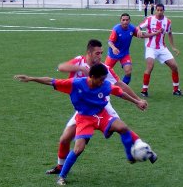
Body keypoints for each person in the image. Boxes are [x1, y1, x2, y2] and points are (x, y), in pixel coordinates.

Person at [15, 63, 156, 186]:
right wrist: (31, 78)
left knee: (123, 127)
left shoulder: (105, 85)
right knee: (78, 149)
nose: (103, 82)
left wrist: (137, 102)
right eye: (101, 79)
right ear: (92, 77)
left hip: (101, 115)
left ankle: (130, 157)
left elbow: (120, 93)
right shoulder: (76, 84)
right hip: (84, 119)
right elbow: (51, 81)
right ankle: (61, 176)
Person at [44, 39, 148, 176]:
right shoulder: (79, 61)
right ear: (89, 53)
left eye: (101, 53)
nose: (100, 56)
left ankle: (140, 144)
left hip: (101, 104)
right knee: (64, 139)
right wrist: (81, 69)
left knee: (121, 127)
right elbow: (61, 67)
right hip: (83, 109)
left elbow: (120, 85)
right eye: (97, 53)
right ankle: (60, 167)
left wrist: (138, 100)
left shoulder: (103, 68)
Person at [139, 3, 182, 97]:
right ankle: (144, 91)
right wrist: (139, 32)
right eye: (157, 10)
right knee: (150, 66)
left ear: (163, 11)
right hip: (150, 47)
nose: (159, 12)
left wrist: (173, 47)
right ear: (155, 10)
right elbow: (139, 27)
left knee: (174, 66)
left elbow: (169, 33)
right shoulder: (149, 19)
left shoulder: (168, 22)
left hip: (162, 48)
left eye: (161, 10)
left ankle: (176, 90)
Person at [104, 13, 155, 85]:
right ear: (120, 20)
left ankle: (122, 88)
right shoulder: (116, 29)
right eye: (123, 20)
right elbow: (110, 41)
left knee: (128, 72)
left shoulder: (132, 28)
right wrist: (114, 48)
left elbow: (142, 35)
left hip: (124, 54)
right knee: (103, 72)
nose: (125, 21)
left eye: (127, 20)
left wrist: (154, 34)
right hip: (113, 54)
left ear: (129, 20)